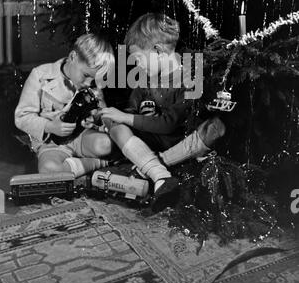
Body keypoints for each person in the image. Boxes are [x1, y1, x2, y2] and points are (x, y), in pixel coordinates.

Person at [70, 13, 225, 213]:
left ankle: (153, 166)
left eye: (139, 58)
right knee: (112, 119)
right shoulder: (146, 78)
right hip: (149, 139)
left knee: (215, 127)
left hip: (178, 142)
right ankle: (148, 169)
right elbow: (131, 110)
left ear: (158, 51)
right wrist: (111, 117)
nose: (137, 65)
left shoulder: (189, 76)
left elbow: (169, 123)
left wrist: (127, 117)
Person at [14, 33, 115, 175]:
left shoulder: (92, 84)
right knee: (49, 169)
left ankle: (78, 165)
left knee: (107, 144)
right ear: (73, 57)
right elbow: (22, 117)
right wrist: (49, 126)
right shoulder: (40, 75)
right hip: (52, 143)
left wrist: (95, 119)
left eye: (94, 80)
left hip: (82, 136)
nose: (88, 84)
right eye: (86, 75)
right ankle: (100, 163)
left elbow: (102, 114)